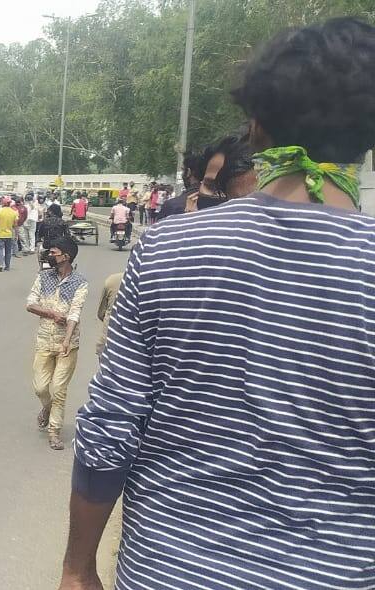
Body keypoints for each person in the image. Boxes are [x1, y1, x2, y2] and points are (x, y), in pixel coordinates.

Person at [61, 19, 375, 589]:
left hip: (171, 569)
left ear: (255, 127)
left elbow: (111, 426)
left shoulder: (168, 247)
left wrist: (78, 568)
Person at [24, 237, 87, 452]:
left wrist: (67, 340)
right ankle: (47, 407)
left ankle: (54, 431)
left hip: (67, 344)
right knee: (41, 387)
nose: (50, 256)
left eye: (54, 253)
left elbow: (75, 313)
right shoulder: (43, 278)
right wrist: (51, 313)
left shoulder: (80, 282)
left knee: (59, 389)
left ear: (66, 256)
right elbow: (30, 304)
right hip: (44, 340)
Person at [0, 196, 18, 272]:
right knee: (8, 251)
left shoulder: (0, 211)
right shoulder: (14, 212)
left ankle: (0, 264)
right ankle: (7, 266)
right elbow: (15, 225)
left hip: (0, 234)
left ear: (3, 203)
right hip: (9, 234)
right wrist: (16, 235)